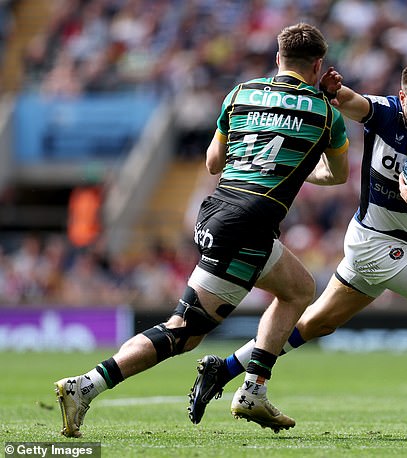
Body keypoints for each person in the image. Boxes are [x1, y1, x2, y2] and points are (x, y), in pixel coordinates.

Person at [188, 59, 407, 428]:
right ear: (403, 96)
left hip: (386, 242)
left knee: (316, 323)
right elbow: (349, 100)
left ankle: (225, 368)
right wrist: (332, 90)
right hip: (375, 244)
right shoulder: (384, 113)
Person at [54, 22, 350, 437]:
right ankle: (86, 385)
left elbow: (213, 162)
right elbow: (336, 176)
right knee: (183, 333)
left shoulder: (240, 93)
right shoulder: (326, 115)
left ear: (278, 58)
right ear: (319, 65)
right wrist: (301, 165)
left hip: (216, 211)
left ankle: (253, 388)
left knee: (299, 288)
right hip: (248, 222)